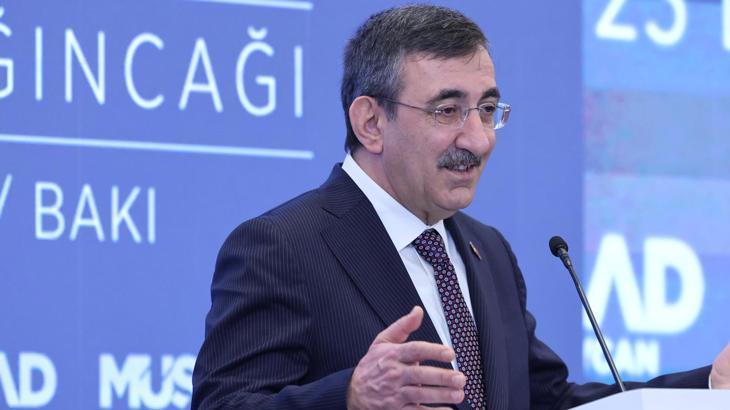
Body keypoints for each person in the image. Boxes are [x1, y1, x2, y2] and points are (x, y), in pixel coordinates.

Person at [191, 4, 730, 409]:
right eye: (447, 110)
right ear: (371, 123)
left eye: (487, 109)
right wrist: (350, 397)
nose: (479, 139)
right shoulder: (283, 246)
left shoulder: (486, 250)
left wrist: (709, 385)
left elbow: (547, 400)